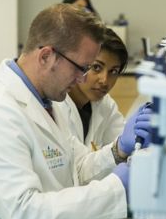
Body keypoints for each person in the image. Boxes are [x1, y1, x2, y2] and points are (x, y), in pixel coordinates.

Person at [0, 4, 129, 219]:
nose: (83, 80)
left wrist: (117, 153)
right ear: (46, 56)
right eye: (81, 68)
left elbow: (76, 167)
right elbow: (24, 215)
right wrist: (115, 190)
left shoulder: (48, 101)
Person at [59, 29, 153, 160]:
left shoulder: (105, 104)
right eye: (96, 67)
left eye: (113, 71)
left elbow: (123, 143)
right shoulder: (57, 108)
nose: (104, 80)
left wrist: (141, 141)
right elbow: (75, 169)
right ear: (81, 64)